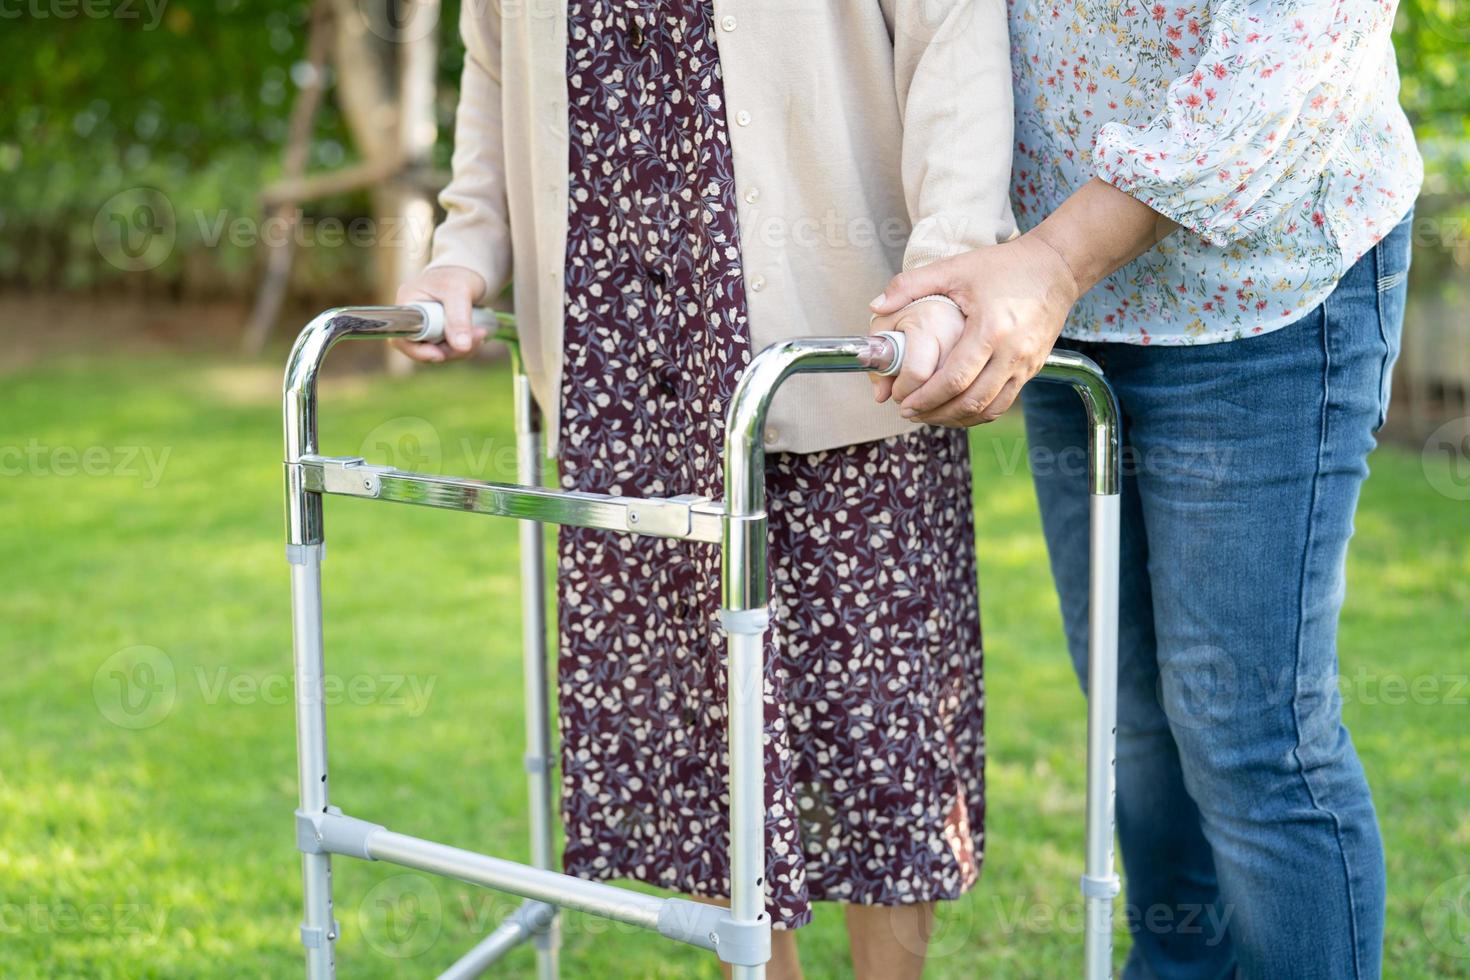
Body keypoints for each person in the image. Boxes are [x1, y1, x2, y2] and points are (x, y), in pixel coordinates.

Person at [394, 3, 1014, 977]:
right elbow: (496, 58)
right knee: (708, 742)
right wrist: (464, 246)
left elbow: (955, 39)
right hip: (626, 372)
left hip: (847, 338)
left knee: (879, 746)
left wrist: (952, 265)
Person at [869, 1, 1421, 976]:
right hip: (1065, 306)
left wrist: (1051, 261)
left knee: (1248, 734)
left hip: (1264, 290)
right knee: (1132, 712)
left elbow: (1286, 57)